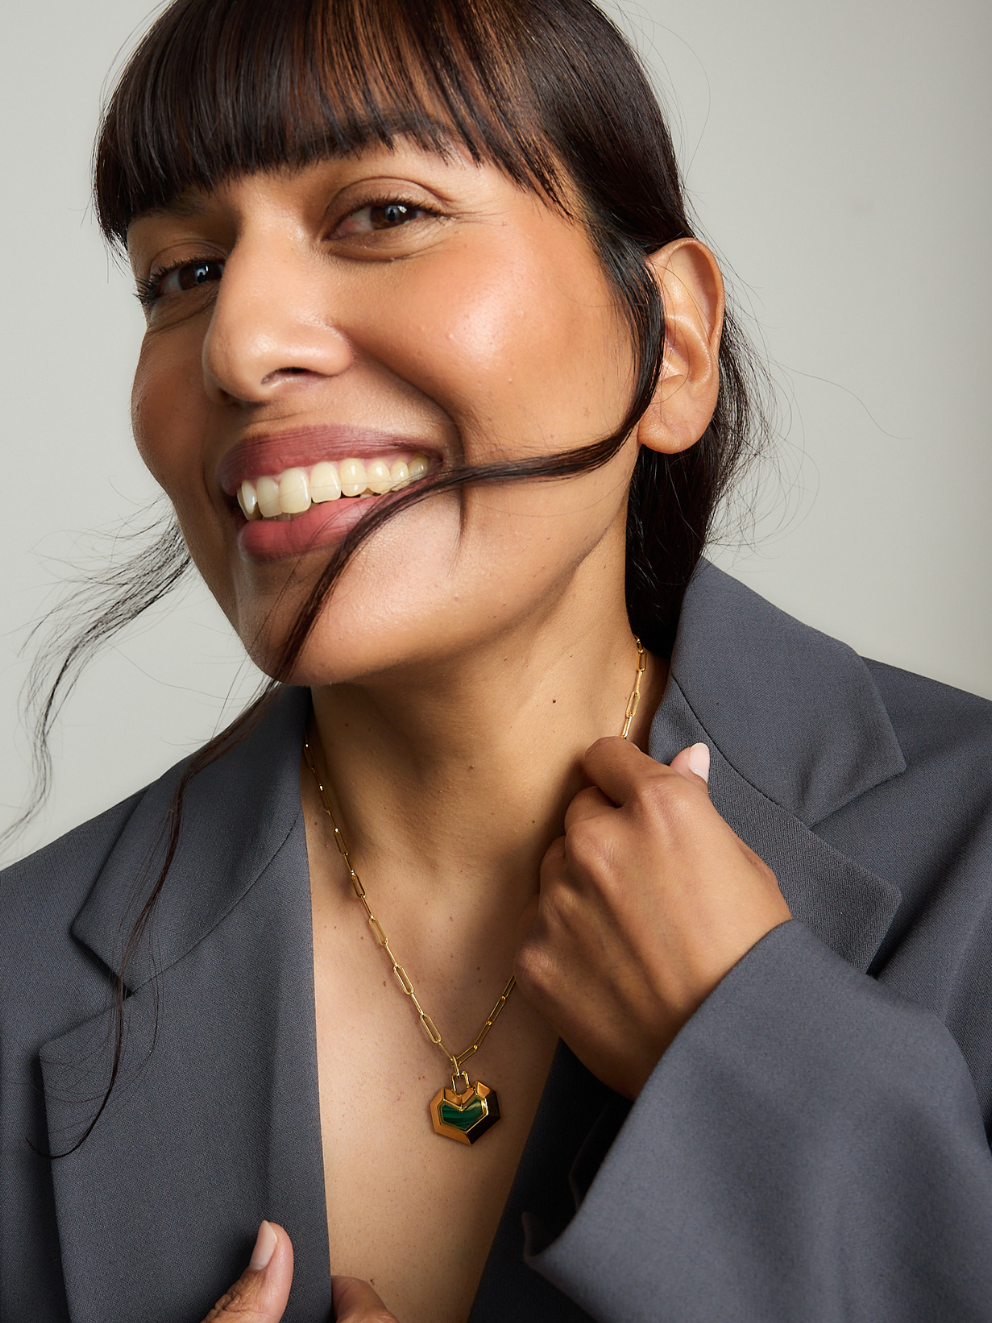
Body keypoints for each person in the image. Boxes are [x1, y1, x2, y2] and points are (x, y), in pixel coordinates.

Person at [2, 0, 992, 1320]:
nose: (239, 347)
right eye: (180, 274)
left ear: (672, 341)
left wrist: (755, 1053)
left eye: (383, 213)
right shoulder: (19, 982)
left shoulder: (973, 849)